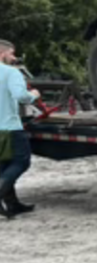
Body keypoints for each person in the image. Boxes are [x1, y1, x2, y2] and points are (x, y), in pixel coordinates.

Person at [0, 40, 40, 219]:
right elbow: (21, 96)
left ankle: (12, 204)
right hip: (9, 128)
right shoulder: (11, 73)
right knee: (21, 161)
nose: (14, 58)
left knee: (4, 166)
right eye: (11, 54)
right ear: (3, 54)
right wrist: (34, 95)